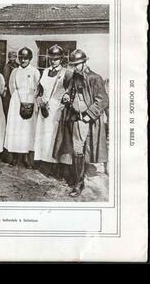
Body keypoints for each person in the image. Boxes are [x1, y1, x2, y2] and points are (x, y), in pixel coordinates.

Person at [53, 49, 109, 197]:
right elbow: (70, 91)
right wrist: (66, 97)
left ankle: (78, 184)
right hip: (73, 117)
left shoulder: (95, 78)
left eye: (77, 64)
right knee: (74, 150)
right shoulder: (74, 77)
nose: (75, 67)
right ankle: (77, 178)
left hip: (85, 120)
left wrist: (88, 115)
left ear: (84, 62)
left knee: (79, 150)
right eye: (73, 64)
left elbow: (102, 100)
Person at [34, 45, 73, 177]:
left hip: (56, 109)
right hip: (44, 107)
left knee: (53, 136)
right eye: (51, 59)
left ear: (61, 59)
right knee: (42, 135)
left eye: (56, 59)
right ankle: (43, 161)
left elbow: (70, 91)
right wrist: (39, 99)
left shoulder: (66, 73)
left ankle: (54, 164)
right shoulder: (45, 71)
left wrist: (65, 98)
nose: (53, 61)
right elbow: (40, 89)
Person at [4, 46, 40, 168]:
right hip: (16, 101)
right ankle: (14, 158)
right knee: (15, 129)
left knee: (27, 130)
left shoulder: (35, 71)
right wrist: (17, 100)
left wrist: (29, 102)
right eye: (21, 58)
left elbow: (37, 88)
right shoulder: (15, 71)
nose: (23, 60)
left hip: (29, 101)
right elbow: (11, 86)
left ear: (30, 59)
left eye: (26, 58)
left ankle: (25, 157)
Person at [3, 51, 19, 116]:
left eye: (14, 57)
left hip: (16, 89)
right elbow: (5, 79)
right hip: (8, 91)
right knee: (8, 107)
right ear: (8, 58)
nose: (12, 59)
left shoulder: (18, 66)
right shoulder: (7, 67)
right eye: (11, 57)